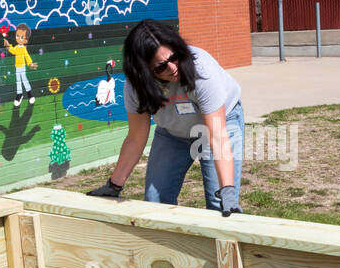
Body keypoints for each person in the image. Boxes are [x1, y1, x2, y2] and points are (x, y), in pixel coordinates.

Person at [88, 20, 244, 216]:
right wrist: (114, 186)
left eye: (175, 57)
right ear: (145, 71)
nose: (172, 68)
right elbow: (136, 138)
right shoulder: (137, 87)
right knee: (155, 203)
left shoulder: (201, 70)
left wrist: (228, 190)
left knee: (219, 203)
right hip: (173, 133)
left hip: (218, 126)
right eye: (161, 67)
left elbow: (217, 136)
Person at [1, 23, 37, 107]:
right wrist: (8, 45)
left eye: (21, 37)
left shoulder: (24, 49)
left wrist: (30, 64)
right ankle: (19, 94)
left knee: (24, 79)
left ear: (25, 40)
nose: (18, 39)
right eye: (17, 36)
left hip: (22, 67)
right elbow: (13, 50)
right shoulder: (17, 47)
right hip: (17, 67)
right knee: (18, 81)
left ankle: (29, 93)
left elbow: (27, 56)